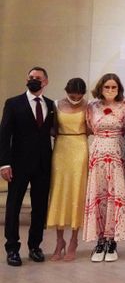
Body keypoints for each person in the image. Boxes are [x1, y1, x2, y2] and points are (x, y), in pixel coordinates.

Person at [0, 67, 54, 266]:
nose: (33, 80)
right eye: (31, 77)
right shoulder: (13, 103)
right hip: (18, 165)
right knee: (13, 206)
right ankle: (12, 248)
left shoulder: (51, 105)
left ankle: (35, 246)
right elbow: (4, 135)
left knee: (39, 208)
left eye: (38, 78)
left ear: (45, 82)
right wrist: (4, 164)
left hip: (42, 165)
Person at [83, 73, 125, 262]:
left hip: (118, 154)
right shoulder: (91, 107)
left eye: (114, 87)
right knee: (99, 197)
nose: (110, 91)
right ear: (100, 88)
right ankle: (100, 241)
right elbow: (89, 128)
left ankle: (112, 241)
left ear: (119, 89)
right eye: (107, 87)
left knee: (115, 197)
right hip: (98, 157)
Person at [46, 78, 88, 261]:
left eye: (79, 96)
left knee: (76, 192)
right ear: (66, 91)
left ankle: (73, 240)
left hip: (79, 147)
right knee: (59, 192)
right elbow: (51, 128)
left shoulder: (89, 106)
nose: (75, 99)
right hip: (61, 148)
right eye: (72, 96)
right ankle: (59, 240)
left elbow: (93, 127)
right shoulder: (55, 104)